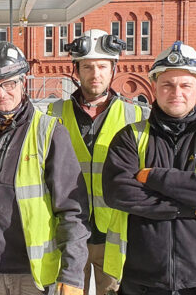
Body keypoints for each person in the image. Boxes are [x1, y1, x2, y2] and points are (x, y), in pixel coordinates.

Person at [102, 41, 196, 295]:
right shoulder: (130, 137)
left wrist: (156, 177)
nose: (176, 92)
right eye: (167, 85)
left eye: (185, 85)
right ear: (155, 88)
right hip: (141, 281)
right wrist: (193, 204)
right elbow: (118, 192)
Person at [0, 41, 90, 295]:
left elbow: (72, 210)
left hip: (31, 274)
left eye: (10, 83)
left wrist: (73, 272)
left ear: (23, 82)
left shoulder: (49, 133)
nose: (2, 94)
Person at [47, 29, 148, 295]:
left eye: (103, 66)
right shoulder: (53, 114)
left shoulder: (134, 116)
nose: (96, 74)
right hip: (69, 234)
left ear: (113, 68)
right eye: (88, 66)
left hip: (113, 236)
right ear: (76, 70)